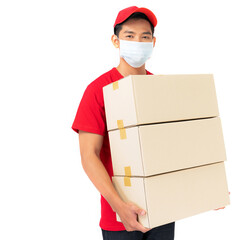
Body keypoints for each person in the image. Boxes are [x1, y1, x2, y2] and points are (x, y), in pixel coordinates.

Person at [72, 6, 175, 240]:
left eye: (144, 36)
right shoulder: (98, 90)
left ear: (153, 42)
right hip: (120, 219)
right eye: (129, 36)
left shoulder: (162, 90)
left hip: (164, 211)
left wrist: (205, 187)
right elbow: (89, 155)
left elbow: (174, 146)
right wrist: (119, 206)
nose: (138, 41)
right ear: (115, 40)